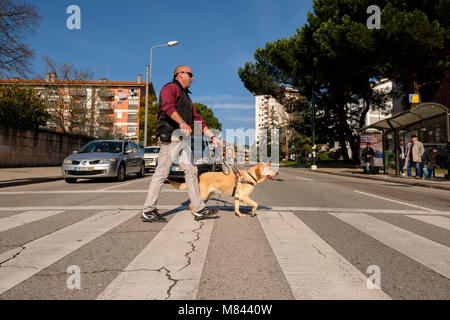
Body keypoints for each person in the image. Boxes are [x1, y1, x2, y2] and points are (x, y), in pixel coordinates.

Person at [142, 65, 222, 222]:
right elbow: (167, 106)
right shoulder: (170, 88)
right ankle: (148, 210)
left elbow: (198, 119)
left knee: (191, 170)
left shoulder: (186, 96)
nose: (193, 78)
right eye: (190, 75)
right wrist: (182, 122)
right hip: (171, 136)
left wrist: (213, 137)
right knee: (162, 172)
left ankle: (199, 209)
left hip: (181, 139)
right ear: (180, 75)